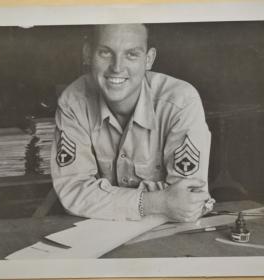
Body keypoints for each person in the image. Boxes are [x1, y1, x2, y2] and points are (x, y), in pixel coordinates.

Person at [51, 24, 212, 222]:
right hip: (97, 232)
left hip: (163, 232)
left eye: (132, 54)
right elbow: (72, 192)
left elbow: (188, 199)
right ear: (87, 54)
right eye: (105, 52)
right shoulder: (73, 102)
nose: (117, 67)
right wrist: (157, 202)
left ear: (149, 59)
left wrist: (100, 197)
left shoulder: (181, 101)